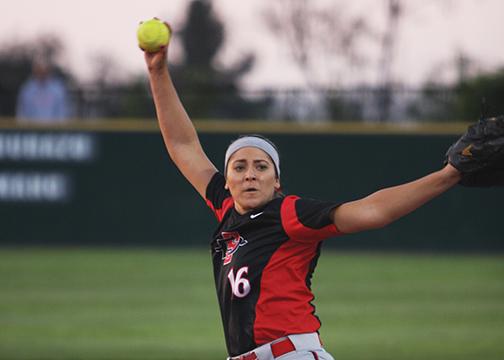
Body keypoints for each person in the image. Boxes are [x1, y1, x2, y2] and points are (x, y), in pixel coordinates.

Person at [142, 27, 463, 360]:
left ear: (277, 182)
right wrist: (158, 72)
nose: (250, 173)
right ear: (227, 181)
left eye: (261, 167)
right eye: (239, 167)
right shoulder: (226, 210)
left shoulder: (288, 213)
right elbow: (183, 145)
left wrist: (448, 175)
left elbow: (372, 211)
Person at [16, 58, 70, 123]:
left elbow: (62, 112)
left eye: (45, 71)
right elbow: (22, 112)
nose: (42, 73)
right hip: (31, 130)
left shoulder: (58, 89)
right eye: (39, 70)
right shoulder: (28, 89)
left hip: (53, 130)